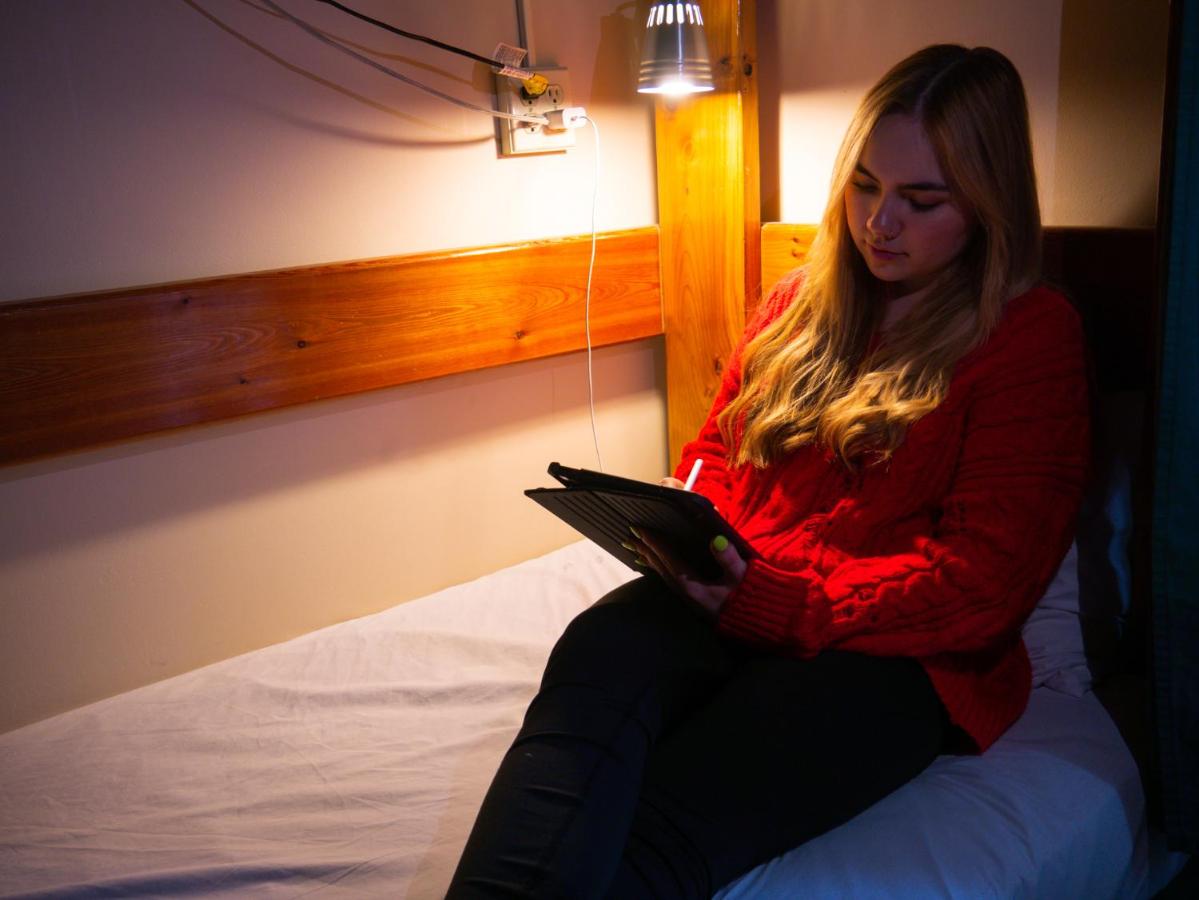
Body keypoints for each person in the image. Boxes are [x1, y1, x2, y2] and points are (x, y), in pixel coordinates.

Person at [447, 43, 1090, 899]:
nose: (878, 223)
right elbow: (713, 456)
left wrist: (789, 604)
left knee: (674, 808)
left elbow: (984, 584)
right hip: (735, 598)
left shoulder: (1027, 337)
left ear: (985, 206)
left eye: (919, 199)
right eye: (862, 186)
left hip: (897, 656)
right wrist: (681, 533)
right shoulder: (797, 304)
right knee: (601, 650)